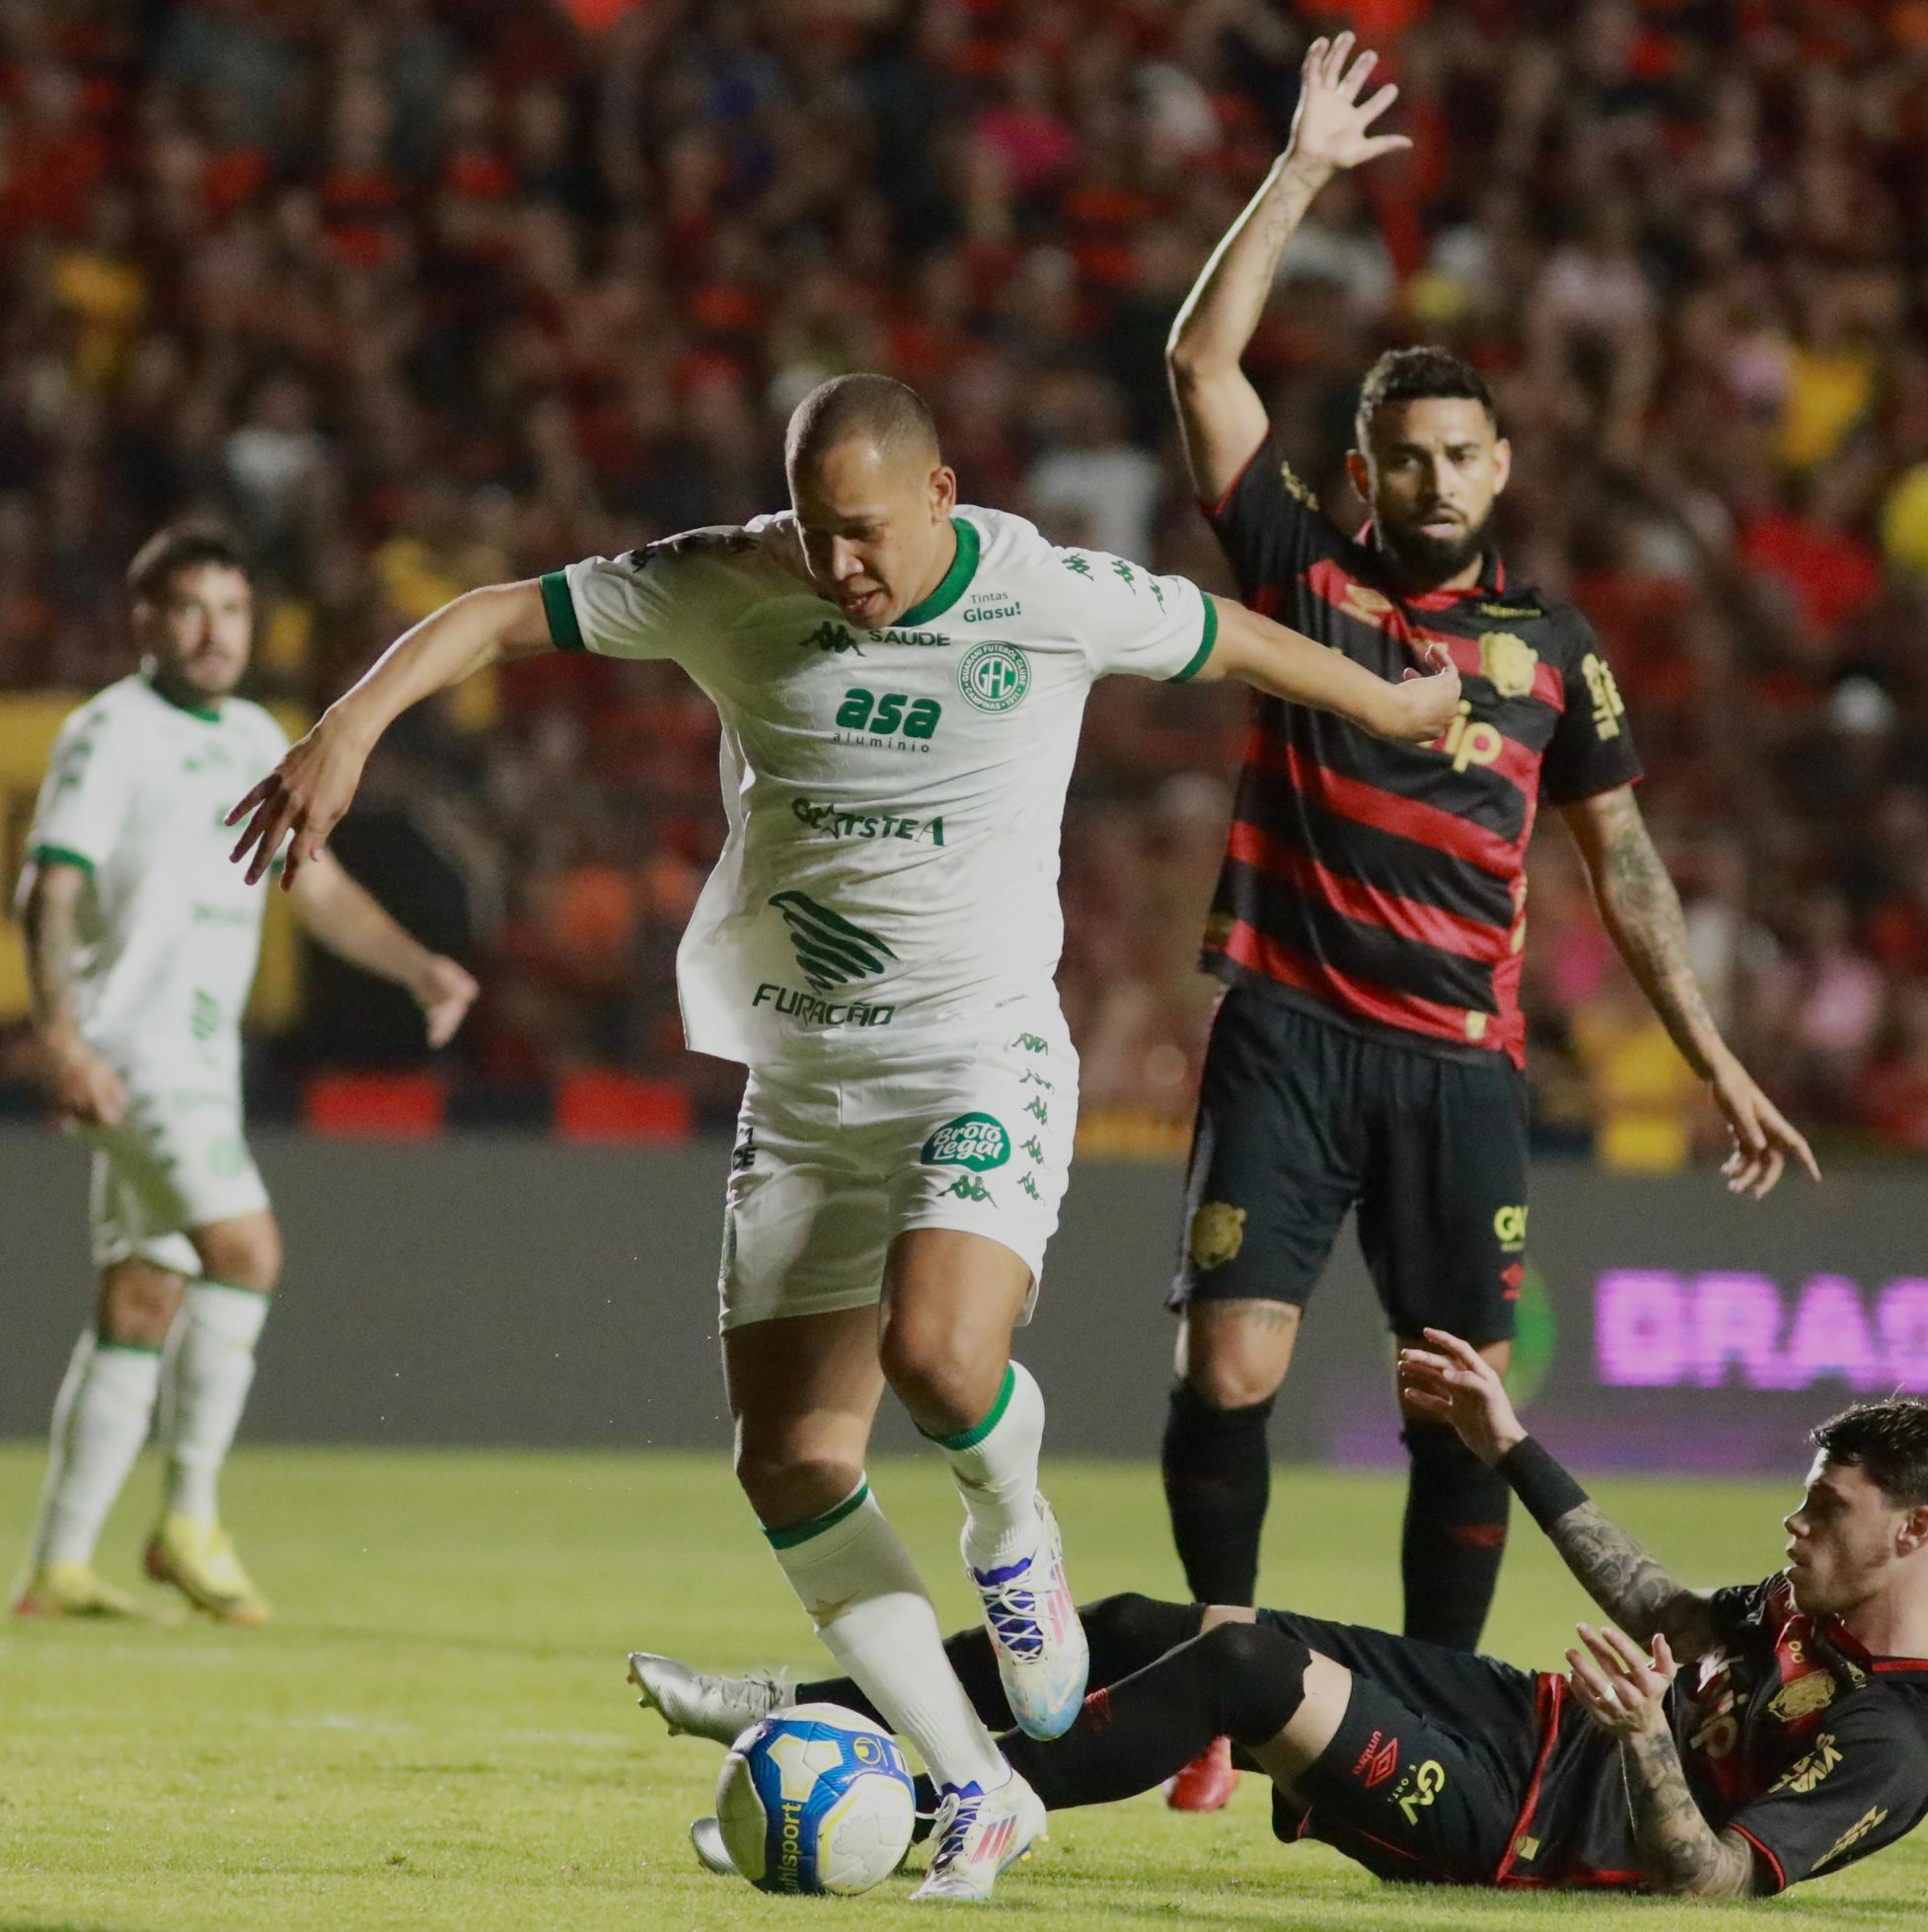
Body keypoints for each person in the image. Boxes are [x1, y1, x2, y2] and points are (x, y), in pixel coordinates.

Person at [224, 373, 1460, 1901]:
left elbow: (1232, 638)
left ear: (942, 498)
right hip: (801, 1087)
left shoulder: (1044, 593)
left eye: (865, 534)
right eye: (816, 533)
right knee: (793, 1458)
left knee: (942, 1360)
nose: (840, 566)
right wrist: (345, 730)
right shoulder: (732, 579)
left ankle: (1016, 1539)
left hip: (977, 1058)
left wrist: (1397, 701)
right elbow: (492, 611)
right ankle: (975, 1785)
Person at [1153, 33, 1817, 1805]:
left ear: (1501, 466)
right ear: (1358, 472)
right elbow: (1197, 361)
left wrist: (1714, 1053)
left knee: (1457, 1400)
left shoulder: (1558, 657)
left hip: (1459, 1069)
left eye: (1458, 454)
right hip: (1288, 1033)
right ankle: (1226, 1677)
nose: (1430, 482)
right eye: (1400, 457)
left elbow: (1623, 862)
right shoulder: (1300, 577)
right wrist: (1299, 174)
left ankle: (1421, 1712)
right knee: (1227, 1356)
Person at [642, 1332, 1928, 1900]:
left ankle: (936, 1804)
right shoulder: (1825, 1610)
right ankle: (810, 1709)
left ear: (1916, 1533)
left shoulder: (1897, 1736)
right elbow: (1673, 1611)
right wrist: (1511, 1441)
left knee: (1239, 1667)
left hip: (1529, 1830)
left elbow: (1713, 1883)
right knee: (1130, 1621)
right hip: (1522, 1721)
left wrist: (1643, 1736)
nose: (1795, 1528)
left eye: (1824, 1511)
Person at [11, 524, 478, 1627]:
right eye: (187, 609)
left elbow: (309, 886)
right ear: (145, 622)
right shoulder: (105, 732)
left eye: (229, 609)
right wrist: (63, 1037)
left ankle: (59, 1567)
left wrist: (417, 965)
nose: (213, 630)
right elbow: (48, 885)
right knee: (246, 1248)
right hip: (134, 1047)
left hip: (200, 1057)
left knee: (143, 1294)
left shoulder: (254, 735)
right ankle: (189, 1521)